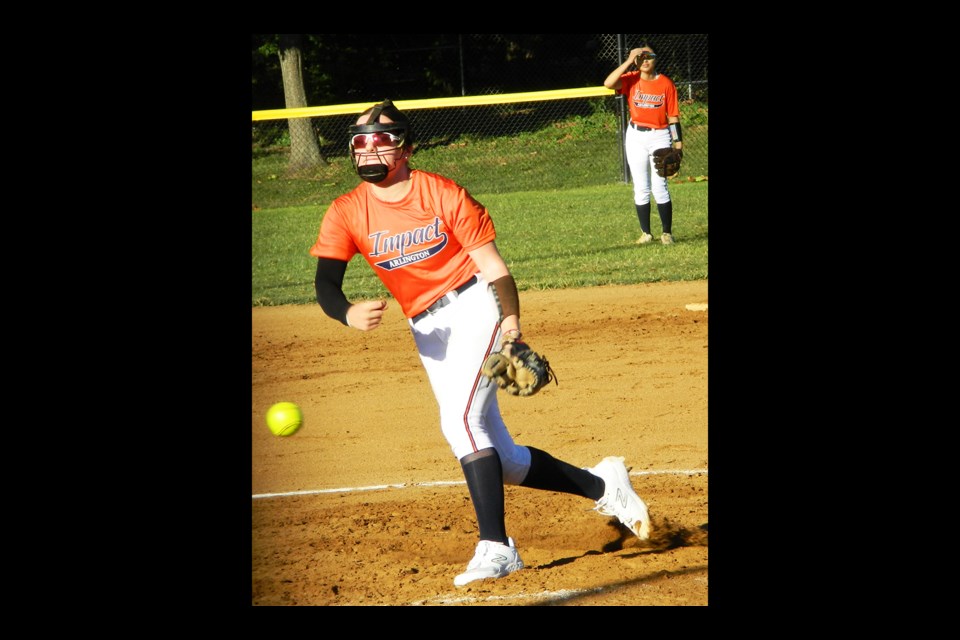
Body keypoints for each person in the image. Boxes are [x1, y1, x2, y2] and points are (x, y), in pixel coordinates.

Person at [309, 99, 652, 587]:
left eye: (381, 139)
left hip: (475, 306)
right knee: (505, 460)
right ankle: (605, 485)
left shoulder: (442, 193)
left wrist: (510, 323)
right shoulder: (346, 211)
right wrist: (345, 312)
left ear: (404, 147)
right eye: (360, 141)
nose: (369, 149)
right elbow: (326, 283)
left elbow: (494, 269)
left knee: (461, 422)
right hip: (426, 330)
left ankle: (497, 546)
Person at [603, 43, 683, 245]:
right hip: (635, 135)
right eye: (641, 57)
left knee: (660, 185)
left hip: (659, 135)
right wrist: (629, 60)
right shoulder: (631, 79)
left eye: (649, 56)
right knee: (641, 186)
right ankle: (646, 233)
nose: (645, 60)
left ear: (656, 59)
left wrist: (678, 144)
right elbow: (608, 83)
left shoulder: (666, 84)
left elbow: (673, 116)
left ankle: (666, 233)